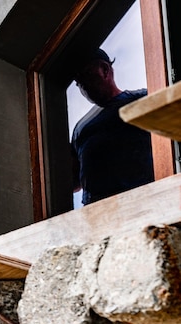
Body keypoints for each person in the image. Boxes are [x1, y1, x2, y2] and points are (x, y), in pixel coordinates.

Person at [71, 48, 154, 206]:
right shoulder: (80, 128)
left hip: (144, 206)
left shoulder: (142, 99)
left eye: (87, 75)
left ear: (105, 70)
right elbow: (72, 182)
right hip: (97, 217)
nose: (84, 87)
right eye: (78, 82)